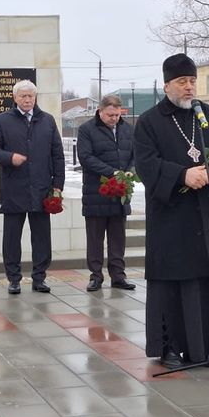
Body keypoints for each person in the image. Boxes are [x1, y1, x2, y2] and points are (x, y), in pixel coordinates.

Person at [133, 53, 209, 369]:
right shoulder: (149, 122)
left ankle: (207, 347)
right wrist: (182, 175)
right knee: (171, 282)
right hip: (170, 217)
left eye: (192, 81)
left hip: (204, 215)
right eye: (182, 82)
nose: (189, 87)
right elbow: (145, 164)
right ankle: (170, 348)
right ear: (167, 85)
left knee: (204, 281)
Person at [0, 79, 65, 294]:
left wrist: (58, 185)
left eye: (30, 96)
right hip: (13, 189)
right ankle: (14, 278)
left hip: (41, 189)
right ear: (15, 98)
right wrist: (9, 157)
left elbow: (57, 154)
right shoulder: (2, 120)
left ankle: (39, 277)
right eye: (23, 96)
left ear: (35, 97)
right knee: (12, 238)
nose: (27, 99)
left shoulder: (47, 121)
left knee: (41, 237)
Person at [77, 94, 136, 292]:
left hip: (120, 193)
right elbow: (85, 157)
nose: (114, 119)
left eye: (117, 115)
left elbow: (136, 155)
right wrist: (112, 173)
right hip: (96, 192)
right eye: (110, 115)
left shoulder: (128, 129)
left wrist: (130, 172)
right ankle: (96, 276)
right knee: (95, 238)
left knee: (118, 238)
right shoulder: (86, 129)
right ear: (100, 111)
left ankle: (118, 275)